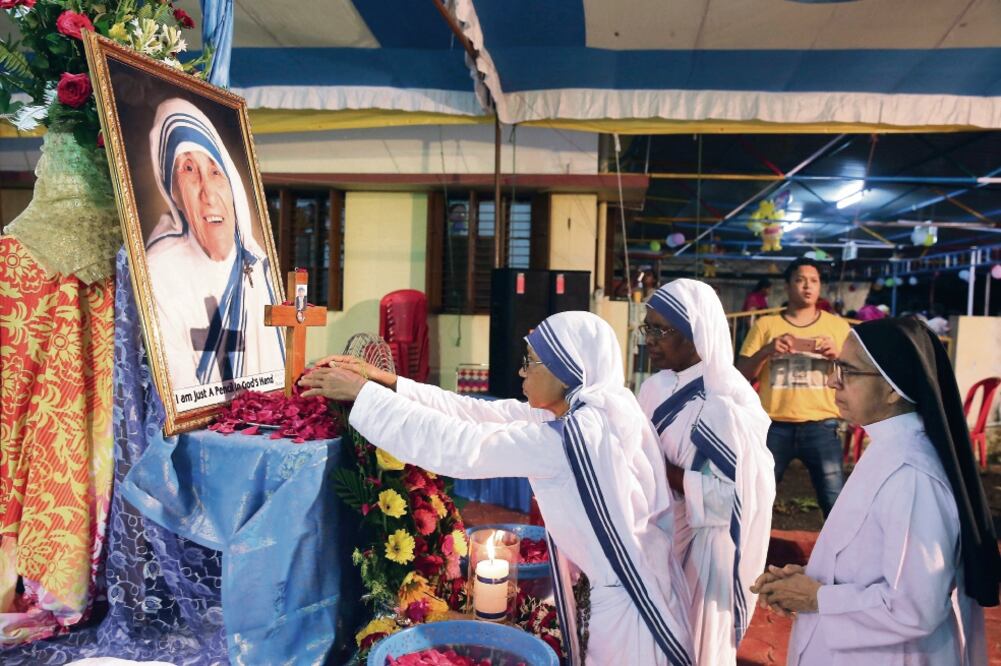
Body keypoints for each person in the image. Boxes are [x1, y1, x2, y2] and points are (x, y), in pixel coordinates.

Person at [301, 312, 694, 666]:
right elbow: (481, 414)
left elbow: (463, 445)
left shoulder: (576, 436)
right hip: (628, 593)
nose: (522, 373)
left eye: (530, 362)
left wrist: (362, 396)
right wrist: (391, 383)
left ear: (565, 370)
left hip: (630, 618)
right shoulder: (594, 411)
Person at [751, 318, 1001, 665]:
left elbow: (915, 607)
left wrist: (818, 598)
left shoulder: (911, 474)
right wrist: (806, 581)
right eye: (835, 366)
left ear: (892, 388)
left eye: (848, 371)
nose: (831, 381)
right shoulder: (888, 449)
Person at [638, 280, 775, 665]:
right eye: (646, 327)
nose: (649, 339)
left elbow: (733, 499)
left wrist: (664, 472)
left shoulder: (728, 399)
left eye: (659, 330)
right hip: (659, 531)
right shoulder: (652, 387)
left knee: (696, 646)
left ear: (696, 335)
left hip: (707, 550)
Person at [145, 98, 285, 390]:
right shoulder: (158, 271)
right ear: (172, 190)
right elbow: (176, 391)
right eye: (188, 170)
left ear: (231, 184)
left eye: (214, 171)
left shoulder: (256, 268)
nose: (208, 194)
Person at [737, 257, 850, 518]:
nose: (807, 287)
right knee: (756, 502)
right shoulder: (766, 326)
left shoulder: (837, 327)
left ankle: (842, 558)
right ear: (787, 286)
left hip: (823, 424)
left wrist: (838, 356)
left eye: (814, 281)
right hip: (773, 425)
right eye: (800, 280)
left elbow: (856, 376)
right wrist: (767, 350)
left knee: (836, 504)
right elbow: (741, 374)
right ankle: (750, 557)